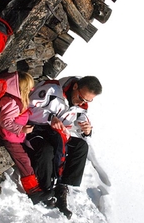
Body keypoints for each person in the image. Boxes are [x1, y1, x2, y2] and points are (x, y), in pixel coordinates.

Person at [24, 76, 102, 219]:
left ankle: (62, 186)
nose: (82, 102)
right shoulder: (51, 89)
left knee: (80, 146)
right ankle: (46, 188)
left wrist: (86, 130)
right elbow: (28, 107)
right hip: (37, 129)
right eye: (81, 98)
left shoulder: (81, 104)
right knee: (47, 151)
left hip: (59, 134)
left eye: (88, 101)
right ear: (75, 87)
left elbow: (82, 120)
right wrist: (49, 117)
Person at [0, 71, 53, 204]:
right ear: (21, 89)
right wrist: (20, 128)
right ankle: (33, 191)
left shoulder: (17, 100)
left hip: (16, 137)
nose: (32, 90)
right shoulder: (12, 103)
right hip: (10, 138)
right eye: (29, 88)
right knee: (24, 161)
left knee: (30, 156)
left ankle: (37, 184)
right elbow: (5, 122)